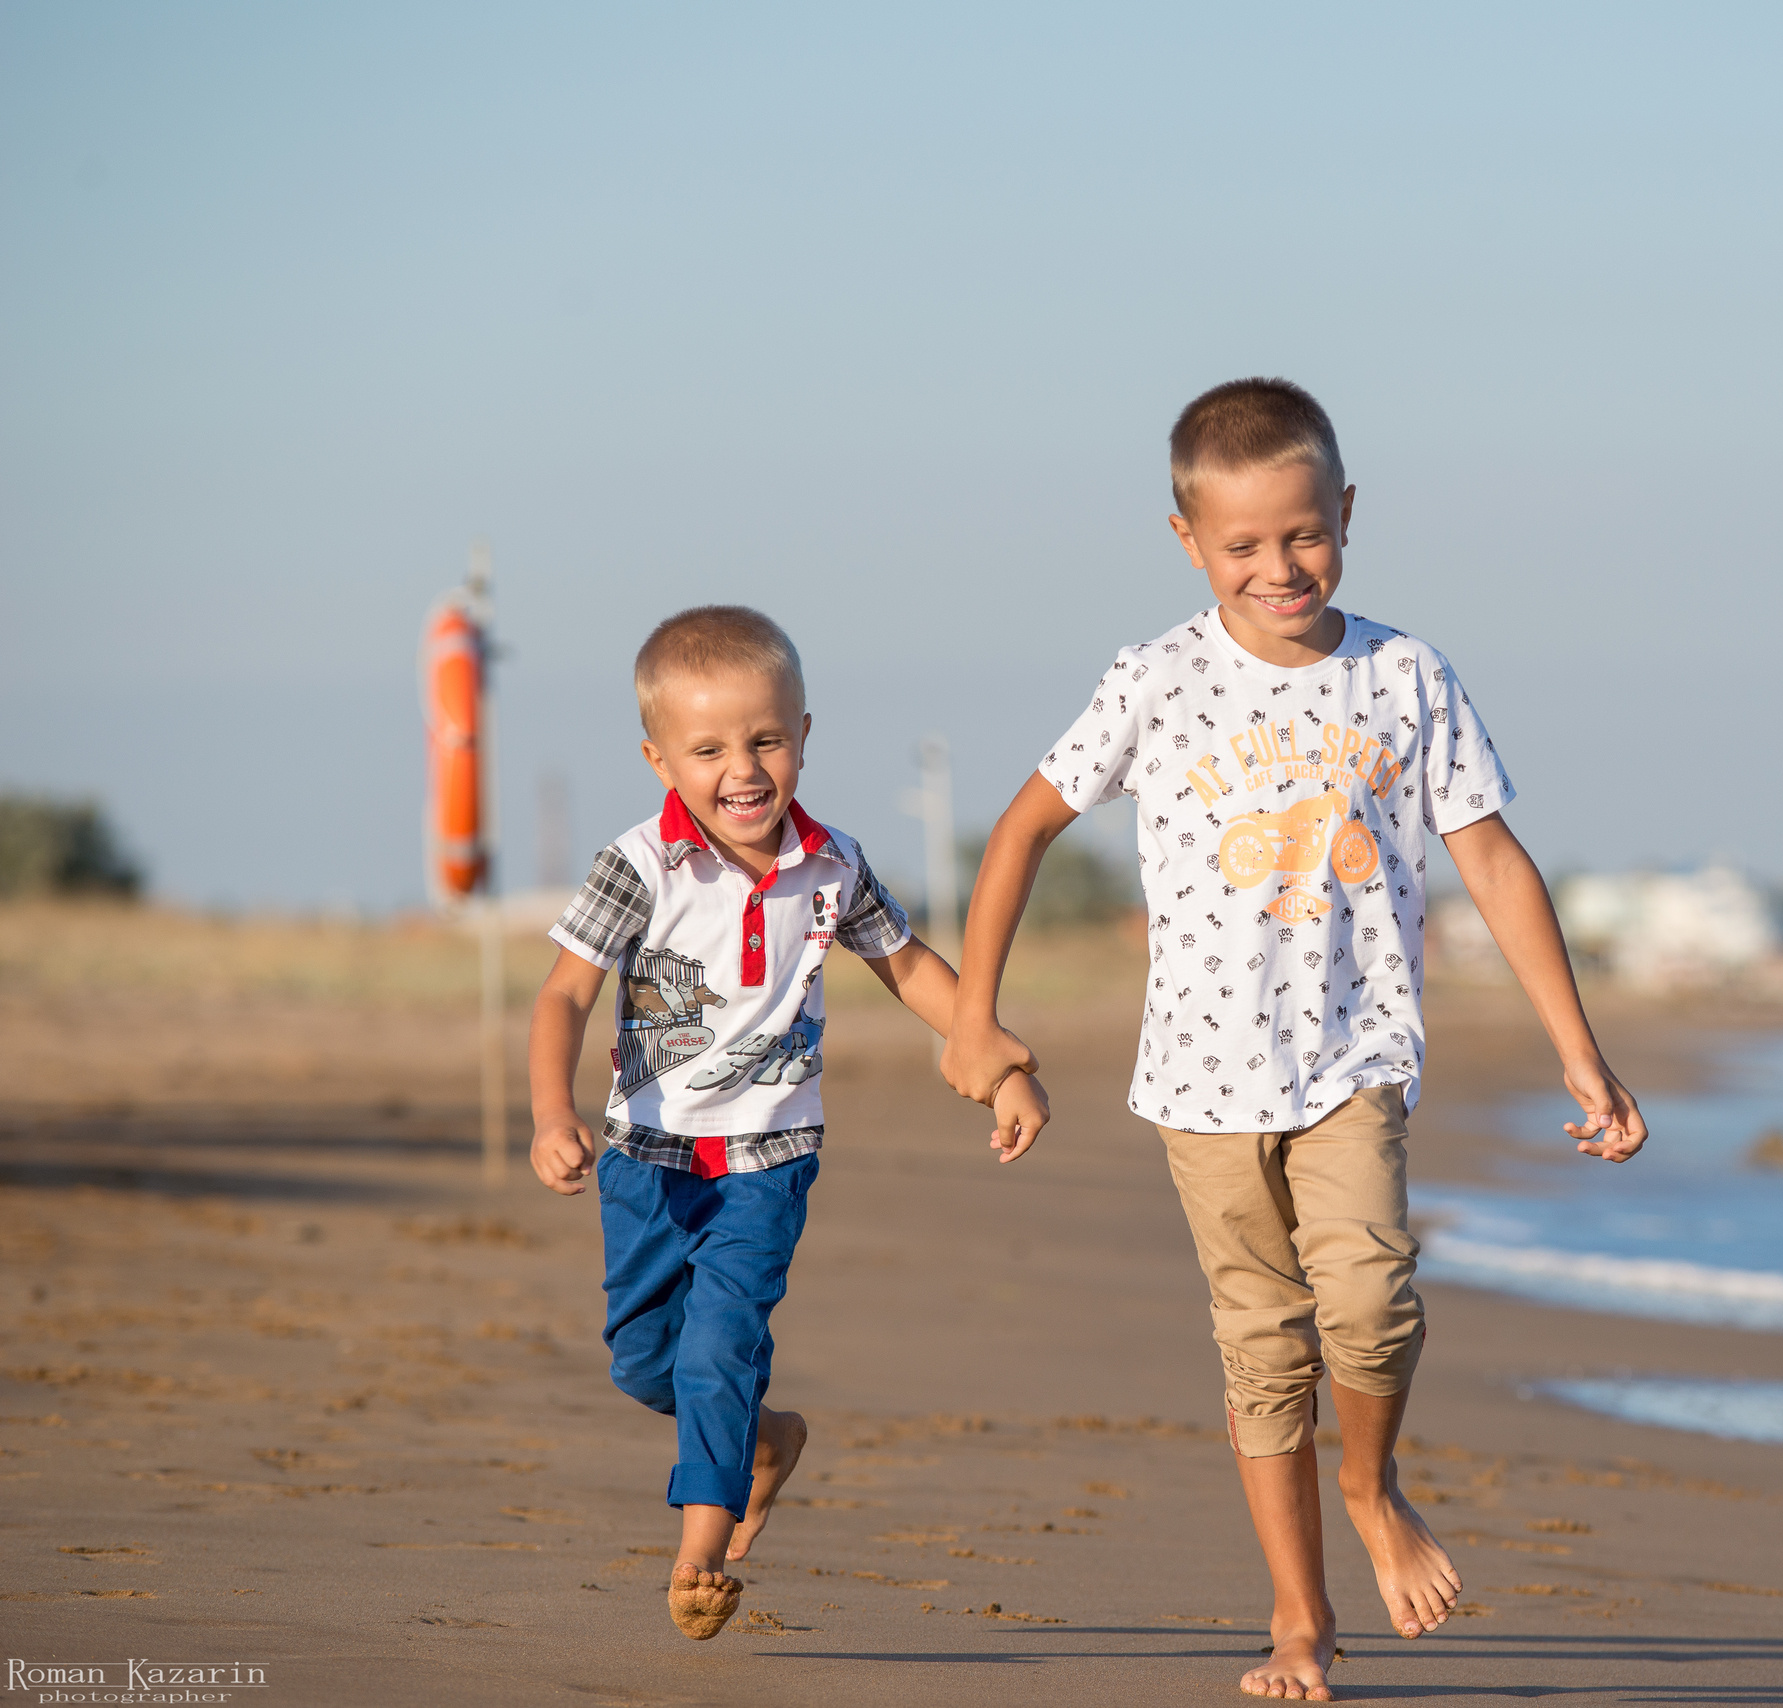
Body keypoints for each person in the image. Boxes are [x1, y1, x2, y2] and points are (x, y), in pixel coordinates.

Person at [944, 379, 1647, 1700]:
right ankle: (1297, 1621)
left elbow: (1492, 862)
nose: (1281, 567)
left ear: (1347, 515)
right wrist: (976, 1012)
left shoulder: (1404, 675)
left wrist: (1578, 1047)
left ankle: (1374, 1488)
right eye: (1244, 546)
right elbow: (1023, 828)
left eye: (1306, 534)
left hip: (1353, 1056)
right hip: (1202, 1081)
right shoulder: (1155, 681)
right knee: (1264, 1344)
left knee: (1372, 1301)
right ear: (1188, 541)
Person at [526, 604, 1051, 1641]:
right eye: (709, 748)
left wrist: (1002, 1065)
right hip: (647, 1154)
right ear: (657, 756)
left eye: (766, 739)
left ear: (805, 734)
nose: (744, 769)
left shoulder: (834, 864)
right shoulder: (637, 866)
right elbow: (562, 998)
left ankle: (698, 1552)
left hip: (770, 1158)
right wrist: (551, 1110)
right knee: (645, 1361)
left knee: (719, 1344)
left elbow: (912, 971)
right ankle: (766, 1442)